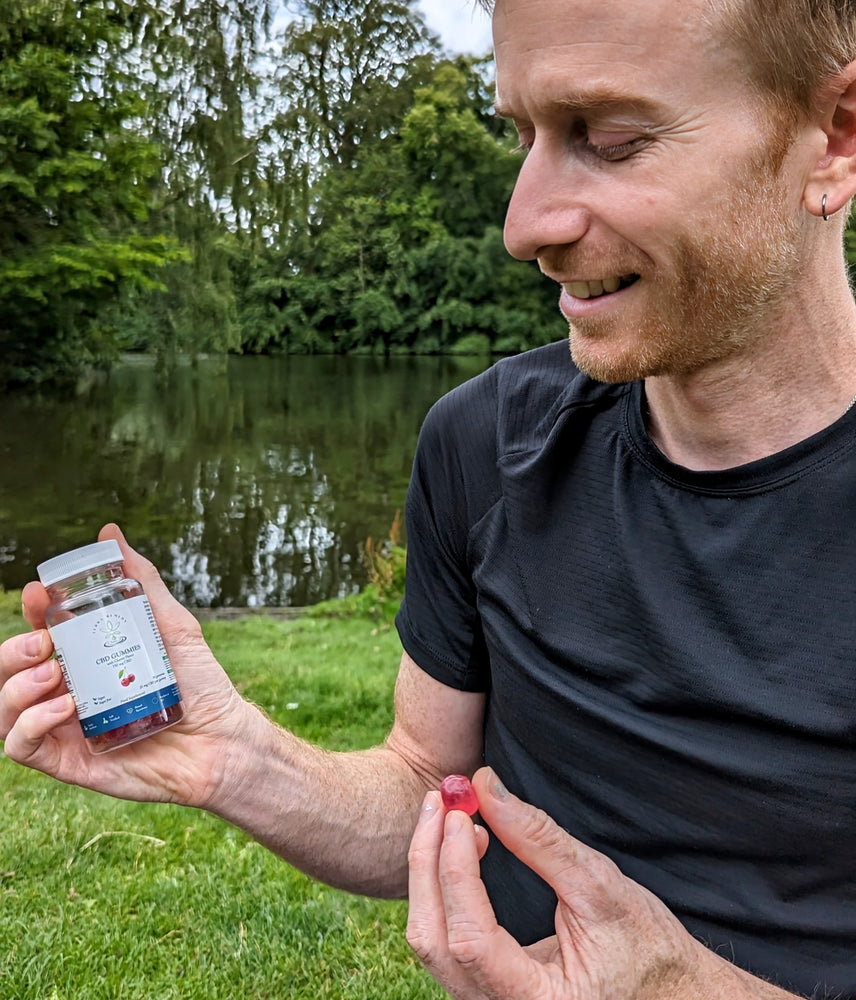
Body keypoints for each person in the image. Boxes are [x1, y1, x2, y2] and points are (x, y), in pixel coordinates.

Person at [2, 0, 856, 996]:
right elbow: (428, 784)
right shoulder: (482, 444)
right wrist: (233, 757)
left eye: (613, 142)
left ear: (833, 136)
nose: (523, 225)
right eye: (523, 135)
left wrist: (680, 988)